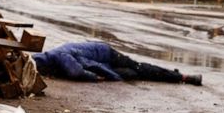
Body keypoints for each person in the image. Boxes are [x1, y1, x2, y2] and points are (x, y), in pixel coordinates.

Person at [31, 41, 203, 85]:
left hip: (107, 54)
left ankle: (182, 76)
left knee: (139, 68)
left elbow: (75, 71)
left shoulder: (58, 55)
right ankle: (169, 74)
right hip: (104, 64)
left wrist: (95, 78)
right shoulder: (54, 56)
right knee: (135, 74)